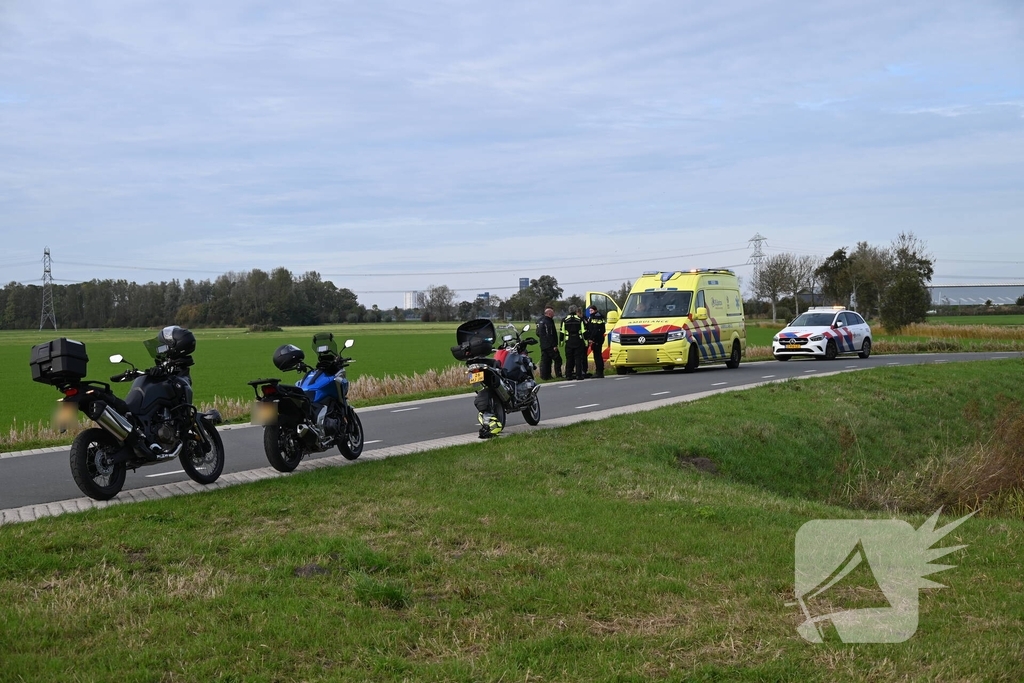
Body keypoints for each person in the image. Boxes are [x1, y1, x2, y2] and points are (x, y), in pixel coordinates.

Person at [560, 305, 587, 380]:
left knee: (569, 359)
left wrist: (561, 343)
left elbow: (562, 332)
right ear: (576, 311)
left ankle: (568, 375)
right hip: (578, 341)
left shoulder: (564, 320)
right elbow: (583, 331)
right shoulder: (580, 319)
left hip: (569, 341)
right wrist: (586, 342)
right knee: (578, 359)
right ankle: (579, 375)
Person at [536, 306, 563, 380]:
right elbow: (550, 334)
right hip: (550, 345)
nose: (554, 314)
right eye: (553, 313)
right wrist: (554, 345)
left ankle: (545, 376)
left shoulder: (540, 321)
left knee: (546, 360)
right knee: (558, 359)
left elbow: (538, 333)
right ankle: (558, 375)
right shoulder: (548, 322)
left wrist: (543, 339)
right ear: (549, 313)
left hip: (543, 344)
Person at [584, 305, 606, 378]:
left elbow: (595, 329)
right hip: (599, 338)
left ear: (595, 310)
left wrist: (591, 338)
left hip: (597, 338)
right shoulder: (598, 316)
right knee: (598, 355)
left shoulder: (596, 317)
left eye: (592, 311)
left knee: (597, 356)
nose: (590, 312)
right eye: (590, 311)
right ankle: (600, 371)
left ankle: (599, 372)